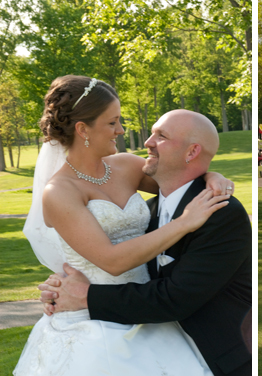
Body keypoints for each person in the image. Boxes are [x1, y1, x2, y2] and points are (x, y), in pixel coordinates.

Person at [15, 76, 236, 375]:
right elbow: (112, 261)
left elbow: (179, 176)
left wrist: (212, 178)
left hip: (148, 308)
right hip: (93, 316)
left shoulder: (127, 166)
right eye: (112, 122)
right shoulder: (59, 192)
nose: (121, 130)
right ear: (83, 129)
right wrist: (184, 223)